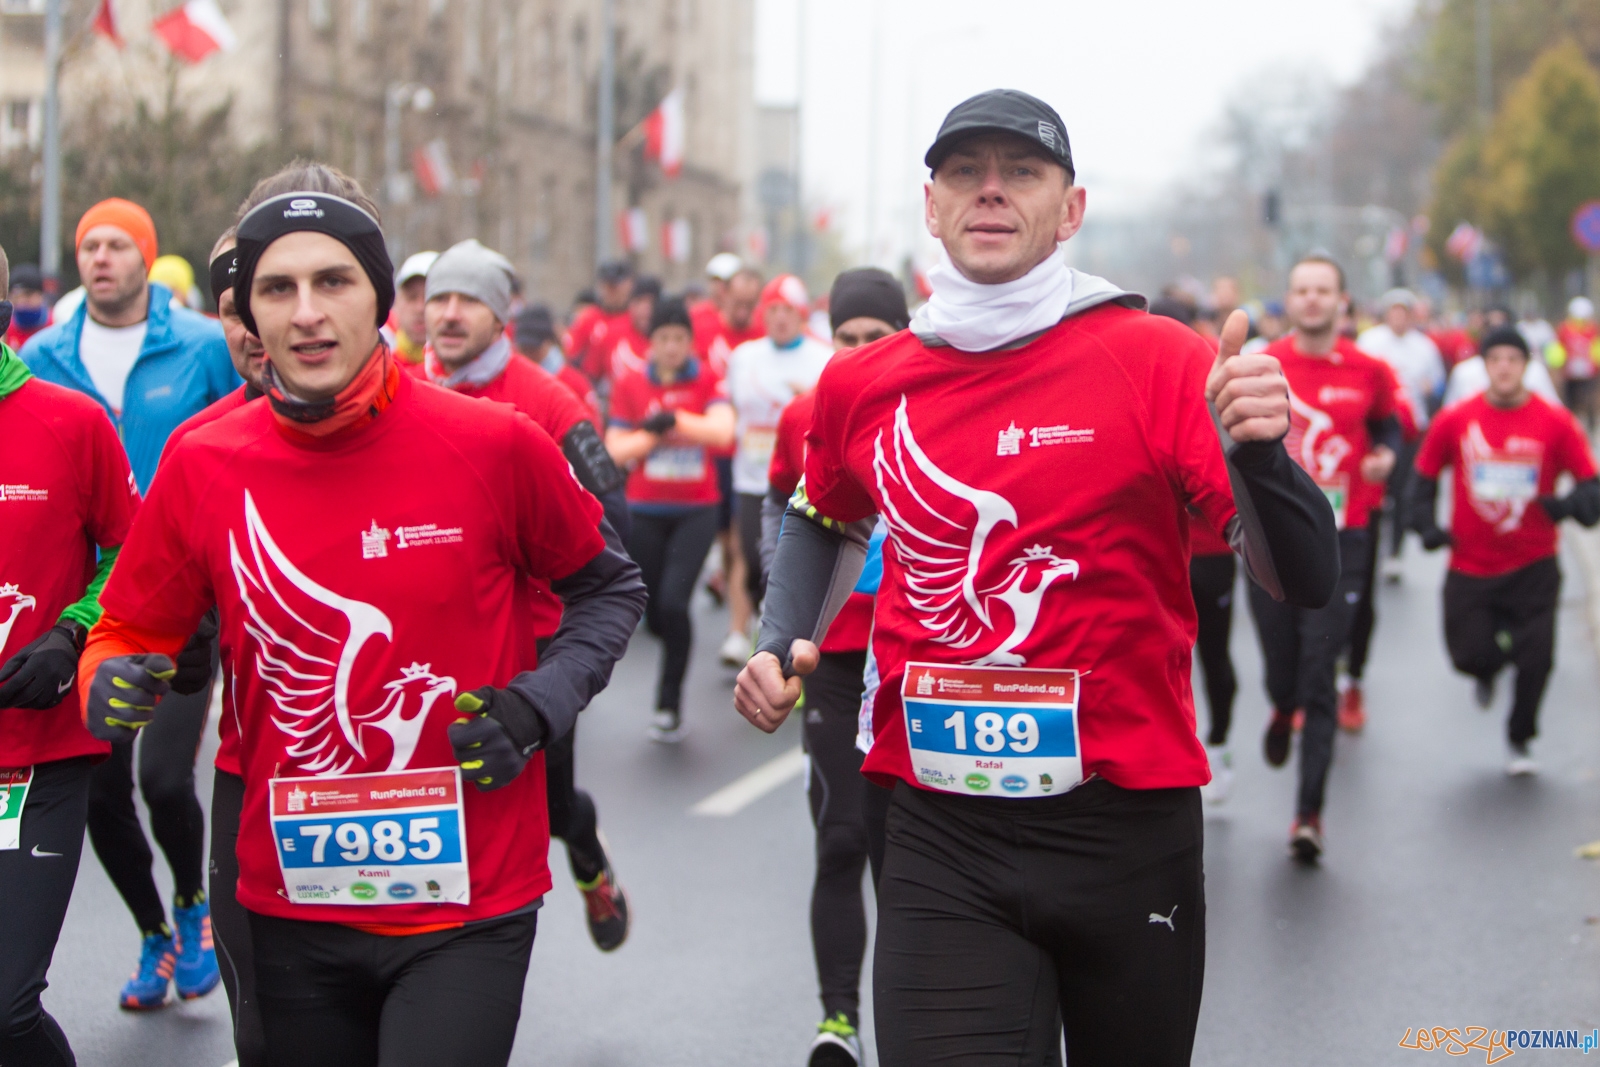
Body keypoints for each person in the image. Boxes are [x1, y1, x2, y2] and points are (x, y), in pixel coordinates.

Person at [735, 89, 1338, 1066]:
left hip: (1125, 828)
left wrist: (1262, 456)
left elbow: (1302, 575)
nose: (990, 191)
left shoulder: (1156, 361)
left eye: (1021, 171)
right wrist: (779, 638)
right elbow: (823, 509)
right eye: (964, 171)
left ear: (1071, 207)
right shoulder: (859, 383)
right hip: (938, 829)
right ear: (929, 205)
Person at [78, 184, 645, 1066]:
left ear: (381, 300)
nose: (307, 313)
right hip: (290, 896)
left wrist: (535, 706)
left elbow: (609, 589)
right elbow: (127, 628)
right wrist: (105, 676)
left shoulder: (492, 442)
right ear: (247, 314)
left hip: (467, 901)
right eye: (278, 289)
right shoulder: (203, 462)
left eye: (334, 282)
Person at [21, 196, 236, 1009]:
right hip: (93, 598)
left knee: (166, 780)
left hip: (187, 595)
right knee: (102, 792)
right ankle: (153, 929)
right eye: (89, 246)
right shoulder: (44, 352)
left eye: (118, 244)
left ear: (146, 256)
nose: (100, 258)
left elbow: (239, 427)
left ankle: (193, 905)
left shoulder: (203, 345)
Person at [416, 238, 635, 948]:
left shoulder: (549, 402)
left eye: (469, 301)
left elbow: (611, 525)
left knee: (543, 801)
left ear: (501, 315)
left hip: (533, 639)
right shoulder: (394, 385)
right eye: (439, 298)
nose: (449, 314)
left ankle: (588, 857)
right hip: (430, 627)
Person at [0, 242, 140, 1067]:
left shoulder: (70, 421)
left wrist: (70, 632)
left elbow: (132, 554)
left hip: (37, 756)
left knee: (8, 1009)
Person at [764, 267, 907, 1067]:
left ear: (902, 333)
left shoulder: (934, 408)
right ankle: (838, 1019)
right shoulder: (806, 414)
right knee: (840, 835)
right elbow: (782, 504)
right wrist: (779, 609)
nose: (858, 352)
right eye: (845, 339)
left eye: (874, 338)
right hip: (834, 656)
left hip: (909, 659)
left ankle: (906, 1019)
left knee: (900, 848)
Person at [1252, 255, 1400, 862]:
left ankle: (1308, 813)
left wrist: (1386, 458)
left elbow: (1391, 429)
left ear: (1342, 301)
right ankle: (1280, 703)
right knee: (1283, 664)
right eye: (1302, 290)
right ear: (1289, 299)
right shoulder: (1263, 365)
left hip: (1345, 536)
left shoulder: (1371, 370)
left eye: (1324, 291)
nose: (1312, 300)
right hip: (1271, 540)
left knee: (1321, 673)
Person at [1411, 326, 1600, 776]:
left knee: (1537, 660)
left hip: (1534, 565)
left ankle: (1520, 736)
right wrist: (1425, 527)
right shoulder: (1456, 419)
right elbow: (1422, 478)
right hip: (1470, 566)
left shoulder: (1555, 422)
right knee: (1469, 656)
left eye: (1513, 359)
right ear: (1483, 366)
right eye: (1494, 359)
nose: (1504, 367)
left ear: (1526, 366)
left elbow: (1592, 491)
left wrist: (1565, 505)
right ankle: (1488, 668)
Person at [606, 297, 736, 743]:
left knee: (675, 603)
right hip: (644, 510)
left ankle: (668, 704)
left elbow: (722, 431)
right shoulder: (630, 383)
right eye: (663, 339)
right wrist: (653, 433)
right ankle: (669, 639)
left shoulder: (707, 379)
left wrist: (677, 418)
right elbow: (614, 450)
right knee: (654, 613)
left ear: (689, 343)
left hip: (696, 511)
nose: (672, 347)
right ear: (651, 343)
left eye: (679, 339)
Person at [1151, 296, 1238, 802]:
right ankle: (1175, 752)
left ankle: (1221, 744)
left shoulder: (1212, 369)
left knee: (1214, 653)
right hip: (1159, 553)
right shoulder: (1130, 373)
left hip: (1210, 552)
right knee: (1160, 654)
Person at [724, 274, 832, 636]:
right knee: (754, 563)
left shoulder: (822, 356)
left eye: (787, 310)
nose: (780, 318)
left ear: (801, 314)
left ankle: (783, 630)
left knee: (792, 561)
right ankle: (764, 615)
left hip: (801, 477)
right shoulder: (744, 357)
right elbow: (733, 411)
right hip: (752, 477)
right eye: (772, 309)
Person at [1356, 289, 1445, 579]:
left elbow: (1437, 385)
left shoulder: (1424, 346)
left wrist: (1431, 395)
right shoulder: (1370, 342)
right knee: (1375, 490)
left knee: (1403, 491)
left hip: (1410, 430)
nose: (1398, 317)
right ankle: (1371, 546)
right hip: (1377, 426)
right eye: (1393, 311)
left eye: (1403, 312)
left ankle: (1395, 551)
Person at [514, 303, 602, 425]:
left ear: (549, 342)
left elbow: (594, 430)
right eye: (524, 349)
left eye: (534, 348)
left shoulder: (573, 382)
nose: (528, 354)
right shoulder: (514, 380)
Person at [565, 259, 635, 386]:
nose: (610, 291)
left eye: (615, 286)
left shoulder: (635, 318)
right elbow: (571, 356)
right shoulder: (587, 318)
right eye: (606, 286)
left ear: (628, 285)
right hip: (594, 384)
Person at [1553, 297, 1597, 433]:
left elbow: (1596, 350)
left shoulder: (1594, 330)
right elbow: (1558, 350)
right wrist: (1559, 366)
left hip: (1589, 373)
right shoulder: (1564, 330)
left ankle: (1591, 427)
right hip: (1570, 373)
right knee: (1569, 401)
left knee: (1590, 401)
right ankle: (1569, 426)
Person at [389, 250, 439, 365]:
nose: (420, 308)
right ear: (396, 304)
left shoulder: (469, 374)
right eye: (411, 297)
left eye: (430, 297)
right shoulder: (381, 370)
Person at [4, 262, 50, 350]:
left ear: (41, 295)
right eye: (16, 296)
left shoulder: (55, 324)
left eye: (28, 295)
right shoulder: (5, 330)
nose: (21, 302)